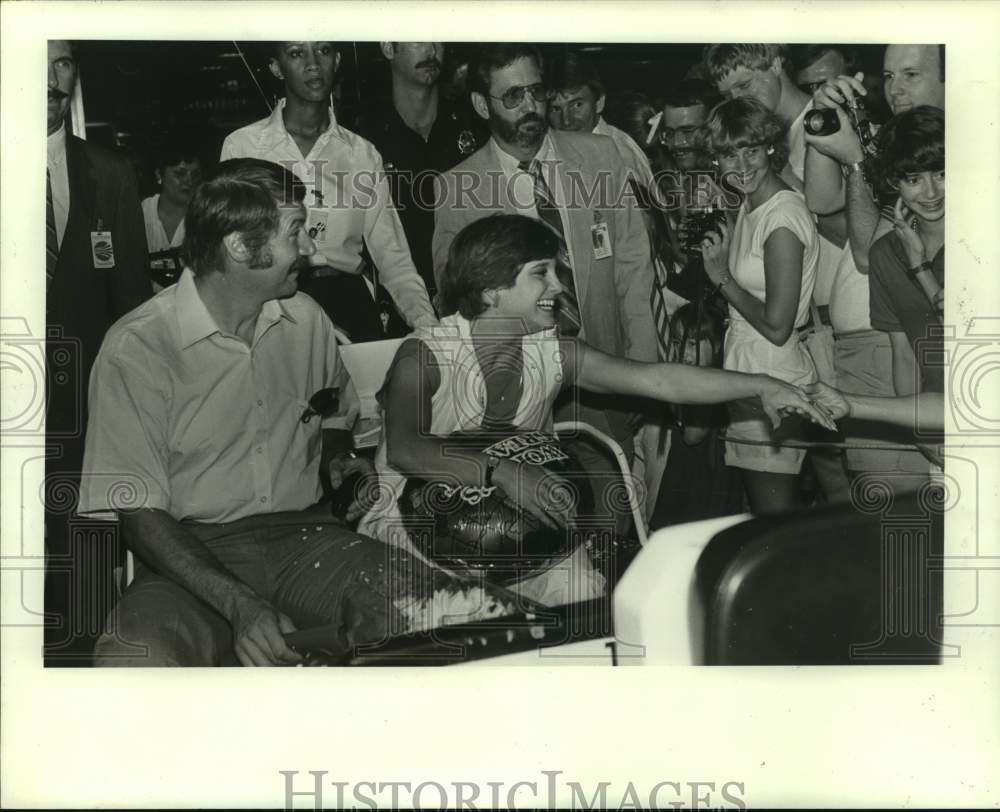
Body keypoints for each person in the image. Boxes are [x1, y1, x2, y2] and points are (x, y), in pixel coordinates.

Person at [79, 159, 443, 667]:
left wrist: (336, 458)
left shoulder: (309, 322)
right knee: (133, 662)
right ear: (241, 246)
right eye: (297, 232)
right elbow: (139, 516)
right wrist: (241, 605)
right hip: (188, 561)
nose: (312, 249)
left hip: (310, 541)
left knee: (439, 613)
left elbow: (331, 412)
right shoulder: (137, 348)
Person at [359, 214, 833, 599]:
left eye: (556, 272)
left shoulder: (553, 351)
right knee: (470, 620)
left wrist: (761, 384)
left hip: (521, 527)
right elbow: (406, 448)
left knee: (586, 599)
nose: (558, 288)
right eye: (540, 274)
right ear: (490, 289)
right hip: (415, 529)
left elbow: (658, 379)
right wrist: (503, 472)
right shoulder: (426, 354)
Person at [432, 44, 659, 533]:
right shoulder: (458, 189)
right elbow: (458, 305)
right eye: (512, 96)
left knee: (614, 517)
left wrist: (643, 364)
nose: (531, 106)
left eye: (536, 91)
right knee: (541, 531)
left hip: (606, 373)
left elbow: (634, 269)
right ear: (481, 105)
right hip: (520, 397)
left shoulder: (600, 156)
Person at [45, 39, 152, 664]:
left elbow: (132, 302)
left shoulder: (109, 173)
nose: (52, 81)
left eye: (62, 65)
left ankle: (84, 656)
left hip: (87, 394)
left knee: (86, 534)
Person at [220, 41, 436, 339]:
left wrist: (427, 324)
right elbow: (232, 256)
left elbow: (393, 257)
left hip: (349, 300)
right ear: (275, 67)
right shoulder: (242, 147)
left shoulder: (361, 153)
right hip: (272, 307)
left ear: (337, 60)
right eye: (296, 53)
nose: (312, 64)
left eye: (322, 51)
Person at [699, 98, 821, 514]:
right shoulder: (751, 204)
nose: (741, 164)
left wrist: (722, 279)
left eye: (750, 149)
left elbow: (778, 325)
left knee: (773, 523)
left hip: (773, 372)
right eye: (727, 153)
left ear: (770, 147)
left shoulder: (782, 218)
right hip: (750, 369)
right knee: (764, 515)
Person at [356, 42, 487, 299]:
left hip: (471, 294)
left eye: (437, 38)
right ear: (388, 48)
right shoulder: (364, 139)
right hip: (398, 303)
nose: (431, 49)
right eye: (418, 38)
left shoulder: (472, 127)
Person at [868, 106, 945, 398]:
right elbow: (903, 355)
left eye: (941, 174)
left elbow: (968, 341)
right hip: (933, 416)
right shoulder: (885, 255)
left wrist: (920, 266)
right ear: (893, 182)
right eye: (913, 180)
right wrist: (916, 430)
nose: (930, 193)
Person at [649, 302, 745, 528]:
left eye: (692, 343)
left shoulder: (707, 384)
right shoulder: (712, 377)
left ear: (719, 343)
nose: (684, 352)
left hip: (701, 479)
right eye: (677, 342)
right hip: (694, 475)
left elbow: (693, 435)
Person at [545, 49, 655, 188]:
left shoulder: (619, 160)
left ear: (599, 103)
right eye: (555, 109)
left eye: (577, 105)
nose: (566, 120)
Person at [142, 137, 203, 289]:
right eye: (180, 174)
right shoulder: (139, 214)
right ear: (159, 175)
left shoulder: (205, 216)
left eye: (195, 175)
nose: (189, 182)